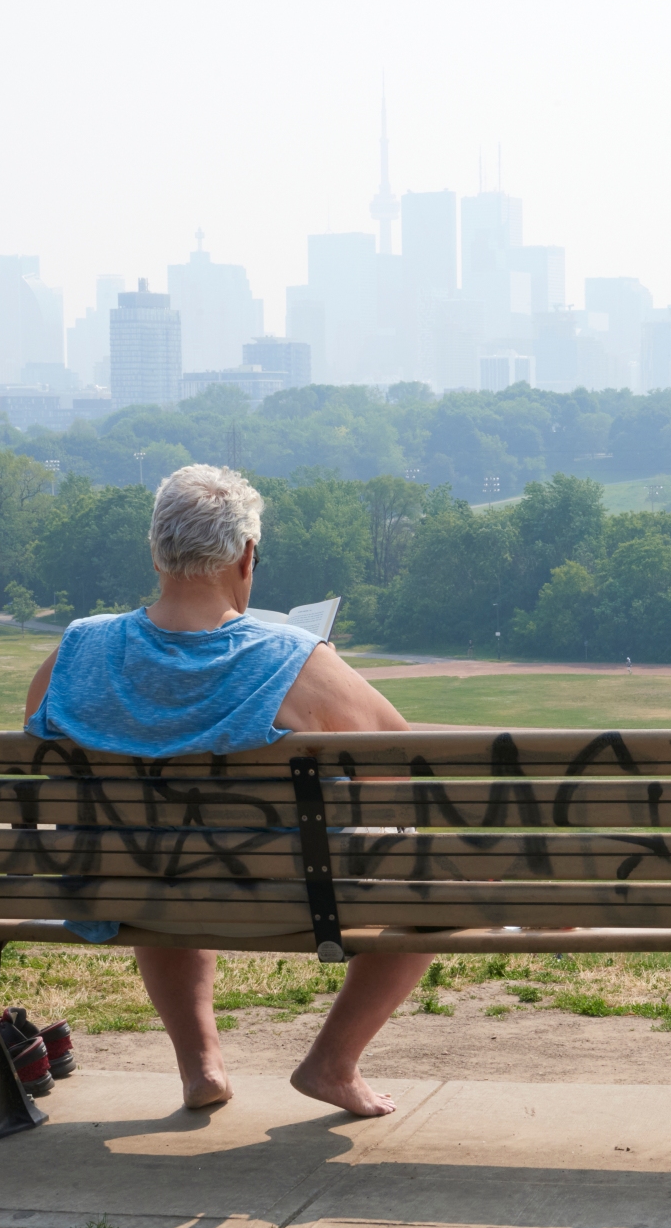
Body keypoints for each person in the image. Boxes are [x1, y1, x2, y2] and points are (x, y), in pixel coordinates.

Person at [23, 464, 430, 1117]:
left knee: (159, 845)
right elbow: (405, 768)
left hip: (123, 891)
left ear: (158, 553)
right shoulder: (294, 658)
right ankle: (332, 1062)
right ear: (245, 557)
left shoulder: (75, 650)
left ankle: (202, 1066)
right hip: (287, 897)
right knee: (431, 877)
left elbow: (38, 760)